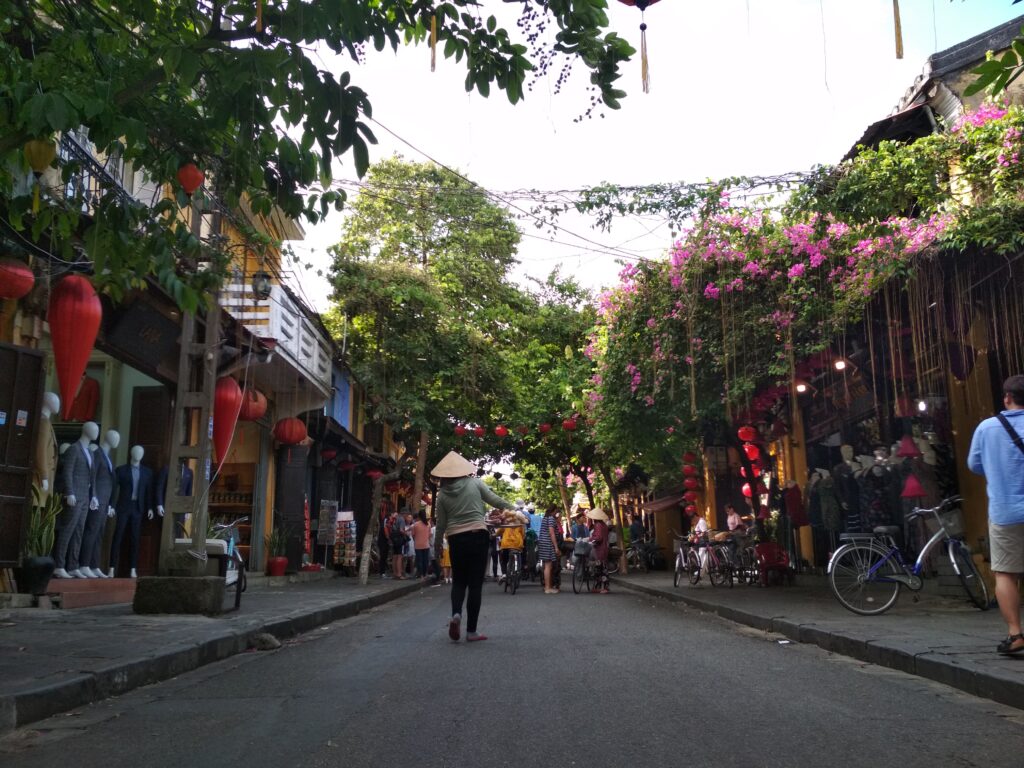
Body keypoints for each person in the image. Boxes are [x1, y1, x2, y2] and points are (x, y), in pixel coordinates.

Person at [432, 451, 515, 642]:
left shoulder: (442, 494)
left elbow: (441, 524)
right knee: (475, 584)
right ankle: (471, 632)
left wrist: (437, 546)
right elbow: (495, 500)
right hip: (478, 535)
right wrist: (515, 509)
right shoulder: (475, 483)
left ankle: (456, 614)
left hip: (455, 539)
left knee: (459, 580)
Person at [968, 374, 1024, 656]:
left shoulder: (987, 428)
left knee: (1005, 573)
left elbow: (974, 464)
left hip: (1004, 511)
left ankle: (1015, 634)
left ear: (1006, 397)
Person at [498, 509, 528, 582]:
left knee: (504, 560)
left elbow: (499, 532)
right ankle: (521, 567)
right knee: (521, 554)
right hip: (517, 545)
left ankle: (504, 574)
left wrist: (494, 535)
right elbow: (523, 535)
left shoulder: (505, 525)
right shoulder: (520, 525)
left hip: (506, 545)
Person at [539, 504, 562, 594]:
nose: (557, 513)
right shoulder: (551, 519)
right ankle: (548, 588)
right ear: (554, 510)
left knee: (547, 565)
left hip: (543, 542)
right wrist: (556, 547)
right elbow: (552, 533)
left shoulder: (545, 518)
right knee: (548, 566)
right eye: (556, 511)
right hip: (548, 543)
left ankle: (547, 586)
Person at [588, 507, 611, 594]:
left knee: (601, 569)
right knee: (600, 569)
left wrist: (590, 539)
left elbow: (598, 538)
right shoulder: (603, 525)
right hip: (604, 548)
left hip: (600, 549)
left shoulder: (598, 525)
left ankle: (604, 587)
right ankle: (599, 587)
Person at [410, 510, 432, 580]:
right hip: (426, 545)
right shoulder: (428, 524)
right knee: (425, 560)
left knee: (419, 560)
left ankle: (421, 575)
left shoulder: (415, 525)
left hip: (418, 545)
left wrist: (416, 540)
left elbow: (413, 535)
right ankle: (425, 574)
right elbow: (430, 535)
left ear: (419, 516)